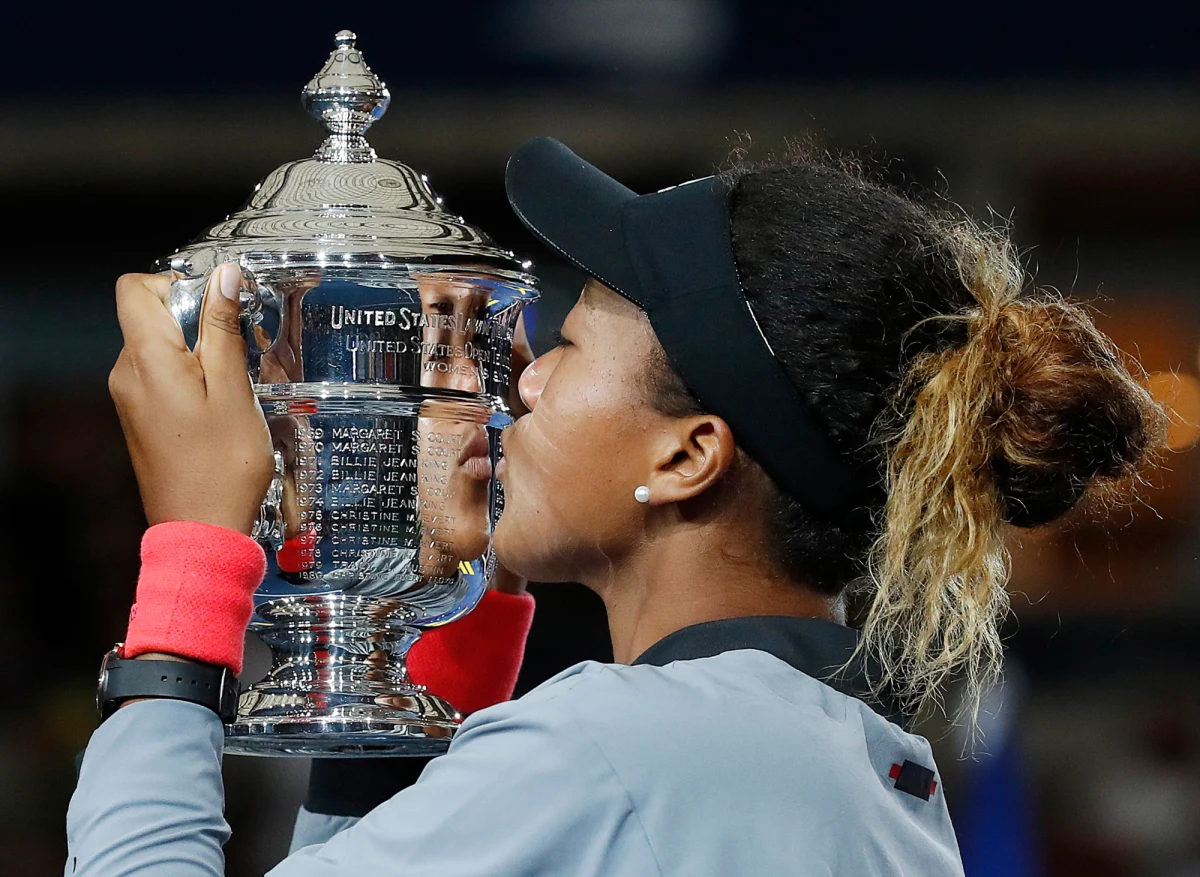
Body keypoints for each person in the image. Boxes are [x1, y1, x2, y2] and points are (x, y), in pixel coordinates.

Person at [66, 137, 1162, 875]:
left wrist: (194, 554)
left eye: (575, 344)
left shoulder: (622, 746)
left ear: (689, 456)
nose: (523, 381)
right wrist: (459, 609)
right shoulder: (844, 759)